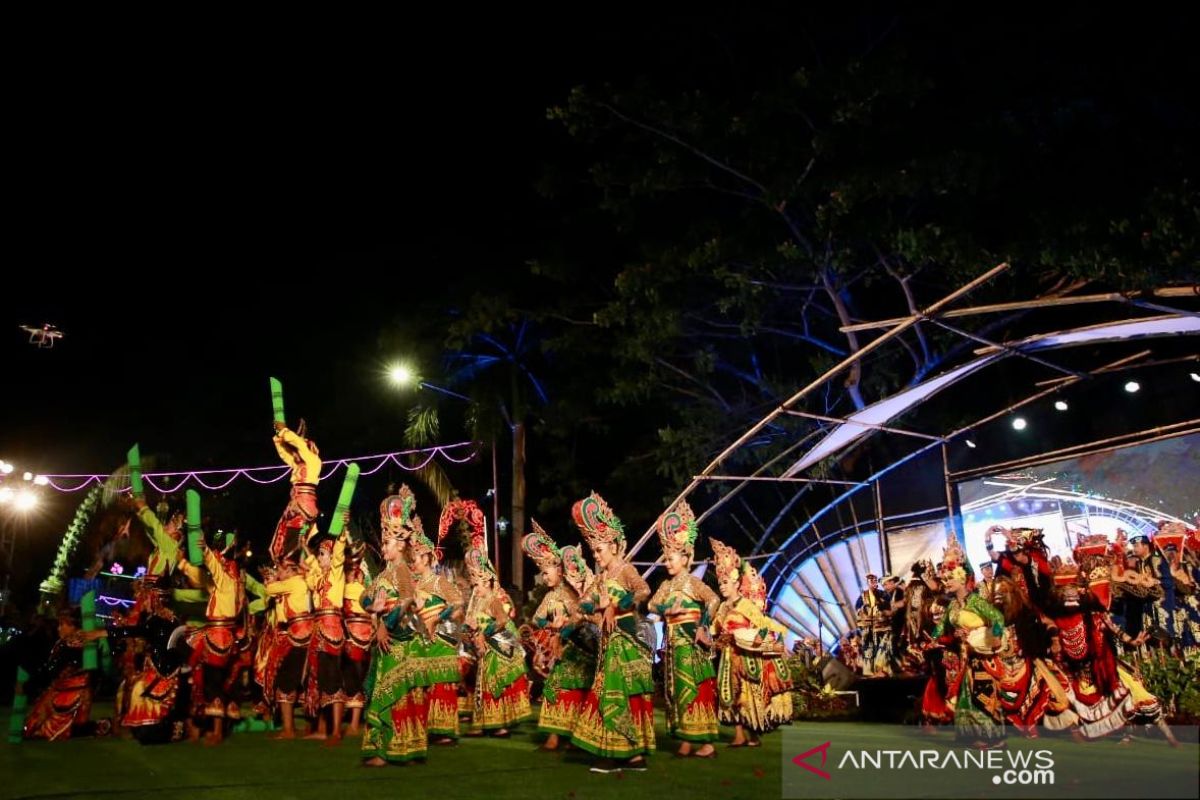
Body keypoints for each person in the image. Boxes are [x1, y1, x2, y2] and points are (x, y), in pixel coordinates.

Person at [568, 492, 655, 773]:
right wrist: (592, 607)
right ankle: (630, 756)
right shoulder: (601, 578)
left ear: (615, 546)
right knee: (616, 692)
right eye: (593, 551)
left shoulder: (625, 569)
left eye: (600, 550)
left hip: (627, 638)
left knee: (616, 692)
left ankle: (620, 753)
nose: (596, 556)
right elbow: (582, 605)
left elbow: (644, 591)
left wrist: (616, 604)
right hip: (609, 641)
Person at [648, 500, 719, 758]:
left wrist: (702, 626)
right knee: (677, 691)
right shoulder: (667, 585)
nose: (667, 562)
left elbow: (714, 600)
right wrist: (668, 609)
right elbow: (652, 603)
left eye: (671, 557)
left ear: (686, 557)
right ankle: (686, 741)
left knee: (696, 689)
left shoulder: (693, 583)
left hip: (690, 644)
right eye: (666, 557)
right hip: (673, 645)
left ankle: (707, 743)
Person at [522, 521, 593, 751]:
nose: (544, 578)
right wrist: (551, 624)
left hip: (580, 648)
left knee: (574, 688)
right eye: (542, 573)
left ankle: (570, 736)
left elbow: (584, 615)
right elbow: (537, 619)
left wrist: (566, 625)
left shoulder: (573, 591)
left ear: (559, 569)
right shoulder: (551, 596)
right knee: (557, 687)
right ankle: (557, 735)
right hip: (561, 651)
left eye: (546, 572)